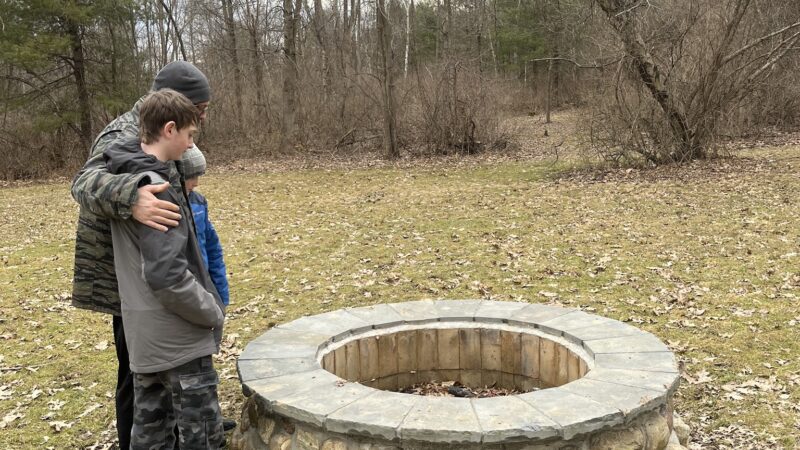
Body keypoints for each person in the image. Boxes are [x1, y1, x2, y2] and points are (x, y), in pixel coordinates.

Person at [70, 61, 212, 449]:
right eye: (199, 107)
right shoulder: (124, 132)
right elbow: (83, 183)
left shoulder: (165, 125)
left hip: (161, 265)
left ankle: (184, 429)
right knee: (137, 372)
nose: (202, 115)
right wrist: (131, 197)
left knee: (167, 364)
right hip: (123, 277)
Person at [104, 89, 224, 449]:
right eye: (190, 135)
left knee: (151, 434)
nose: (190, 145)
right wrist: (210, 311)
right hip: (179, 338)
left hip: (144, 337)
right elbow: (167, 276)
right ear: (169, 129)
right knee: (201, 436)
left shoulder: (124, 180)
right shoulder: (158, 191)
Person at [181, 146, 230, 307]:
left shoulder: (199, 202)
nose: (196, 183)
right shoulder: (165, 206)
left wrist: (221, 295)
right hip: (184, 293)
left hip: (205, 287)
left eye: (198, 175)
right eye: (190, 176)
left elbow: (212, 248)